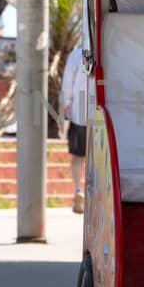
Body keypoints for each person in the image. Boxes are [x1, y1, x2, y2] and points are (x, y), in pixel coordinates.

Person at [61, 43, 89, 213]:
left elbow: (67, 83)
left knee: (78, 156)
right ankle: (96, 193)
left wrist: (64, 106)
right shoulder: (105, 51)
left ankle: (78, 189)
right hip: (101, 114)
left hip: (79, 113)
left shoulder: (76, 54)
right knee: (97, 157)